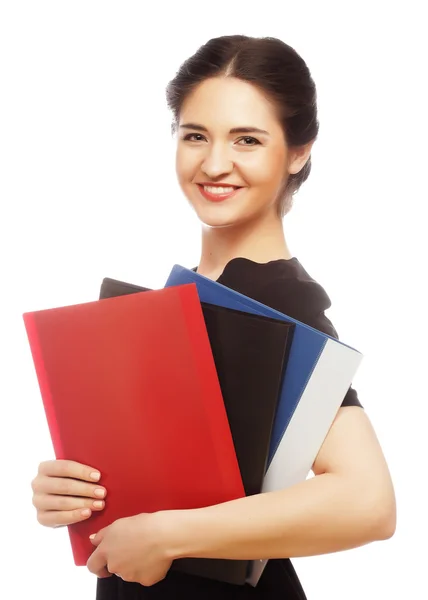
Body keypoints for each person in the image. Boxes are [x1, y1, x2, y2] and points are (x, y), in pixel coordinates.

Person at [31, 35, 396, 599]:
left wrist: (169, 533)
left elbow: (368, 502)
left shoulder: (277, 303)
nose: (215, 163)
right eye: (195, 135)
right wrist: (74, 492)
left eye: (247, 139)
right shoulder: (189, 301)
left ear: (299, 151)